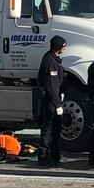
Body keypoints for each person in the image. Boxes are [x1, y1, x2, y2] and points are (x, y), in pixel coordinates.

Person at [37, 35, 67, 166]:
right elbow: (51, 85)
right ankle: (44, 156)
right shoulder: (50, 62)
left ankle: (54, 155)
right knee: (48, 128)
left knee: (54, 129)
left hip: (53, 99)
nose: (65, 48)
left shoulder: (54, 59)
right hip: (50, 101)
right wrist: (57, 103)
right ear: (59, 47)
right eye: (64, 46)